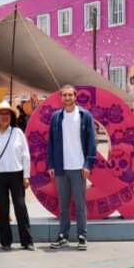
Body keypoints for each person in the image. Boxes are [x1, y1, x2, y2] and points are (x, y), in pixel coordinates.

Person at [48, 84, 97, 251]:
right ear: (61, 97)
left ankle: (82, 236)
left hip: (78, 168)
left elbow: (91, 142)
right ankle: (63, 235)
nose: (67, 98)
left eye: (70, 95)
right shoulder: (56, 117)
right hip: (61, 168)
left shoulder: (85, 116)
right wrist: (51, 164)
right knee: (63, 206)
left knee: (80, 204)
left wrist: (88, 164)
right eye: (64, 95)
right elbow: (51, 142)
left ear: (75, 96)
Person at [0, 101, 34, 251]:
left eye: (7, 114)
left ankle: (27, 241)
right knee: (3, 209)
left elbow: (25, 155)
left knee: (20, 207)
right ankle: (5, 241)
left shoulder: (18, 133)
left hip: (16, 174)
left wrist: (26, 175)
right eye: (1, 114)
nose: (4, 116)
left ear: (12, 117)